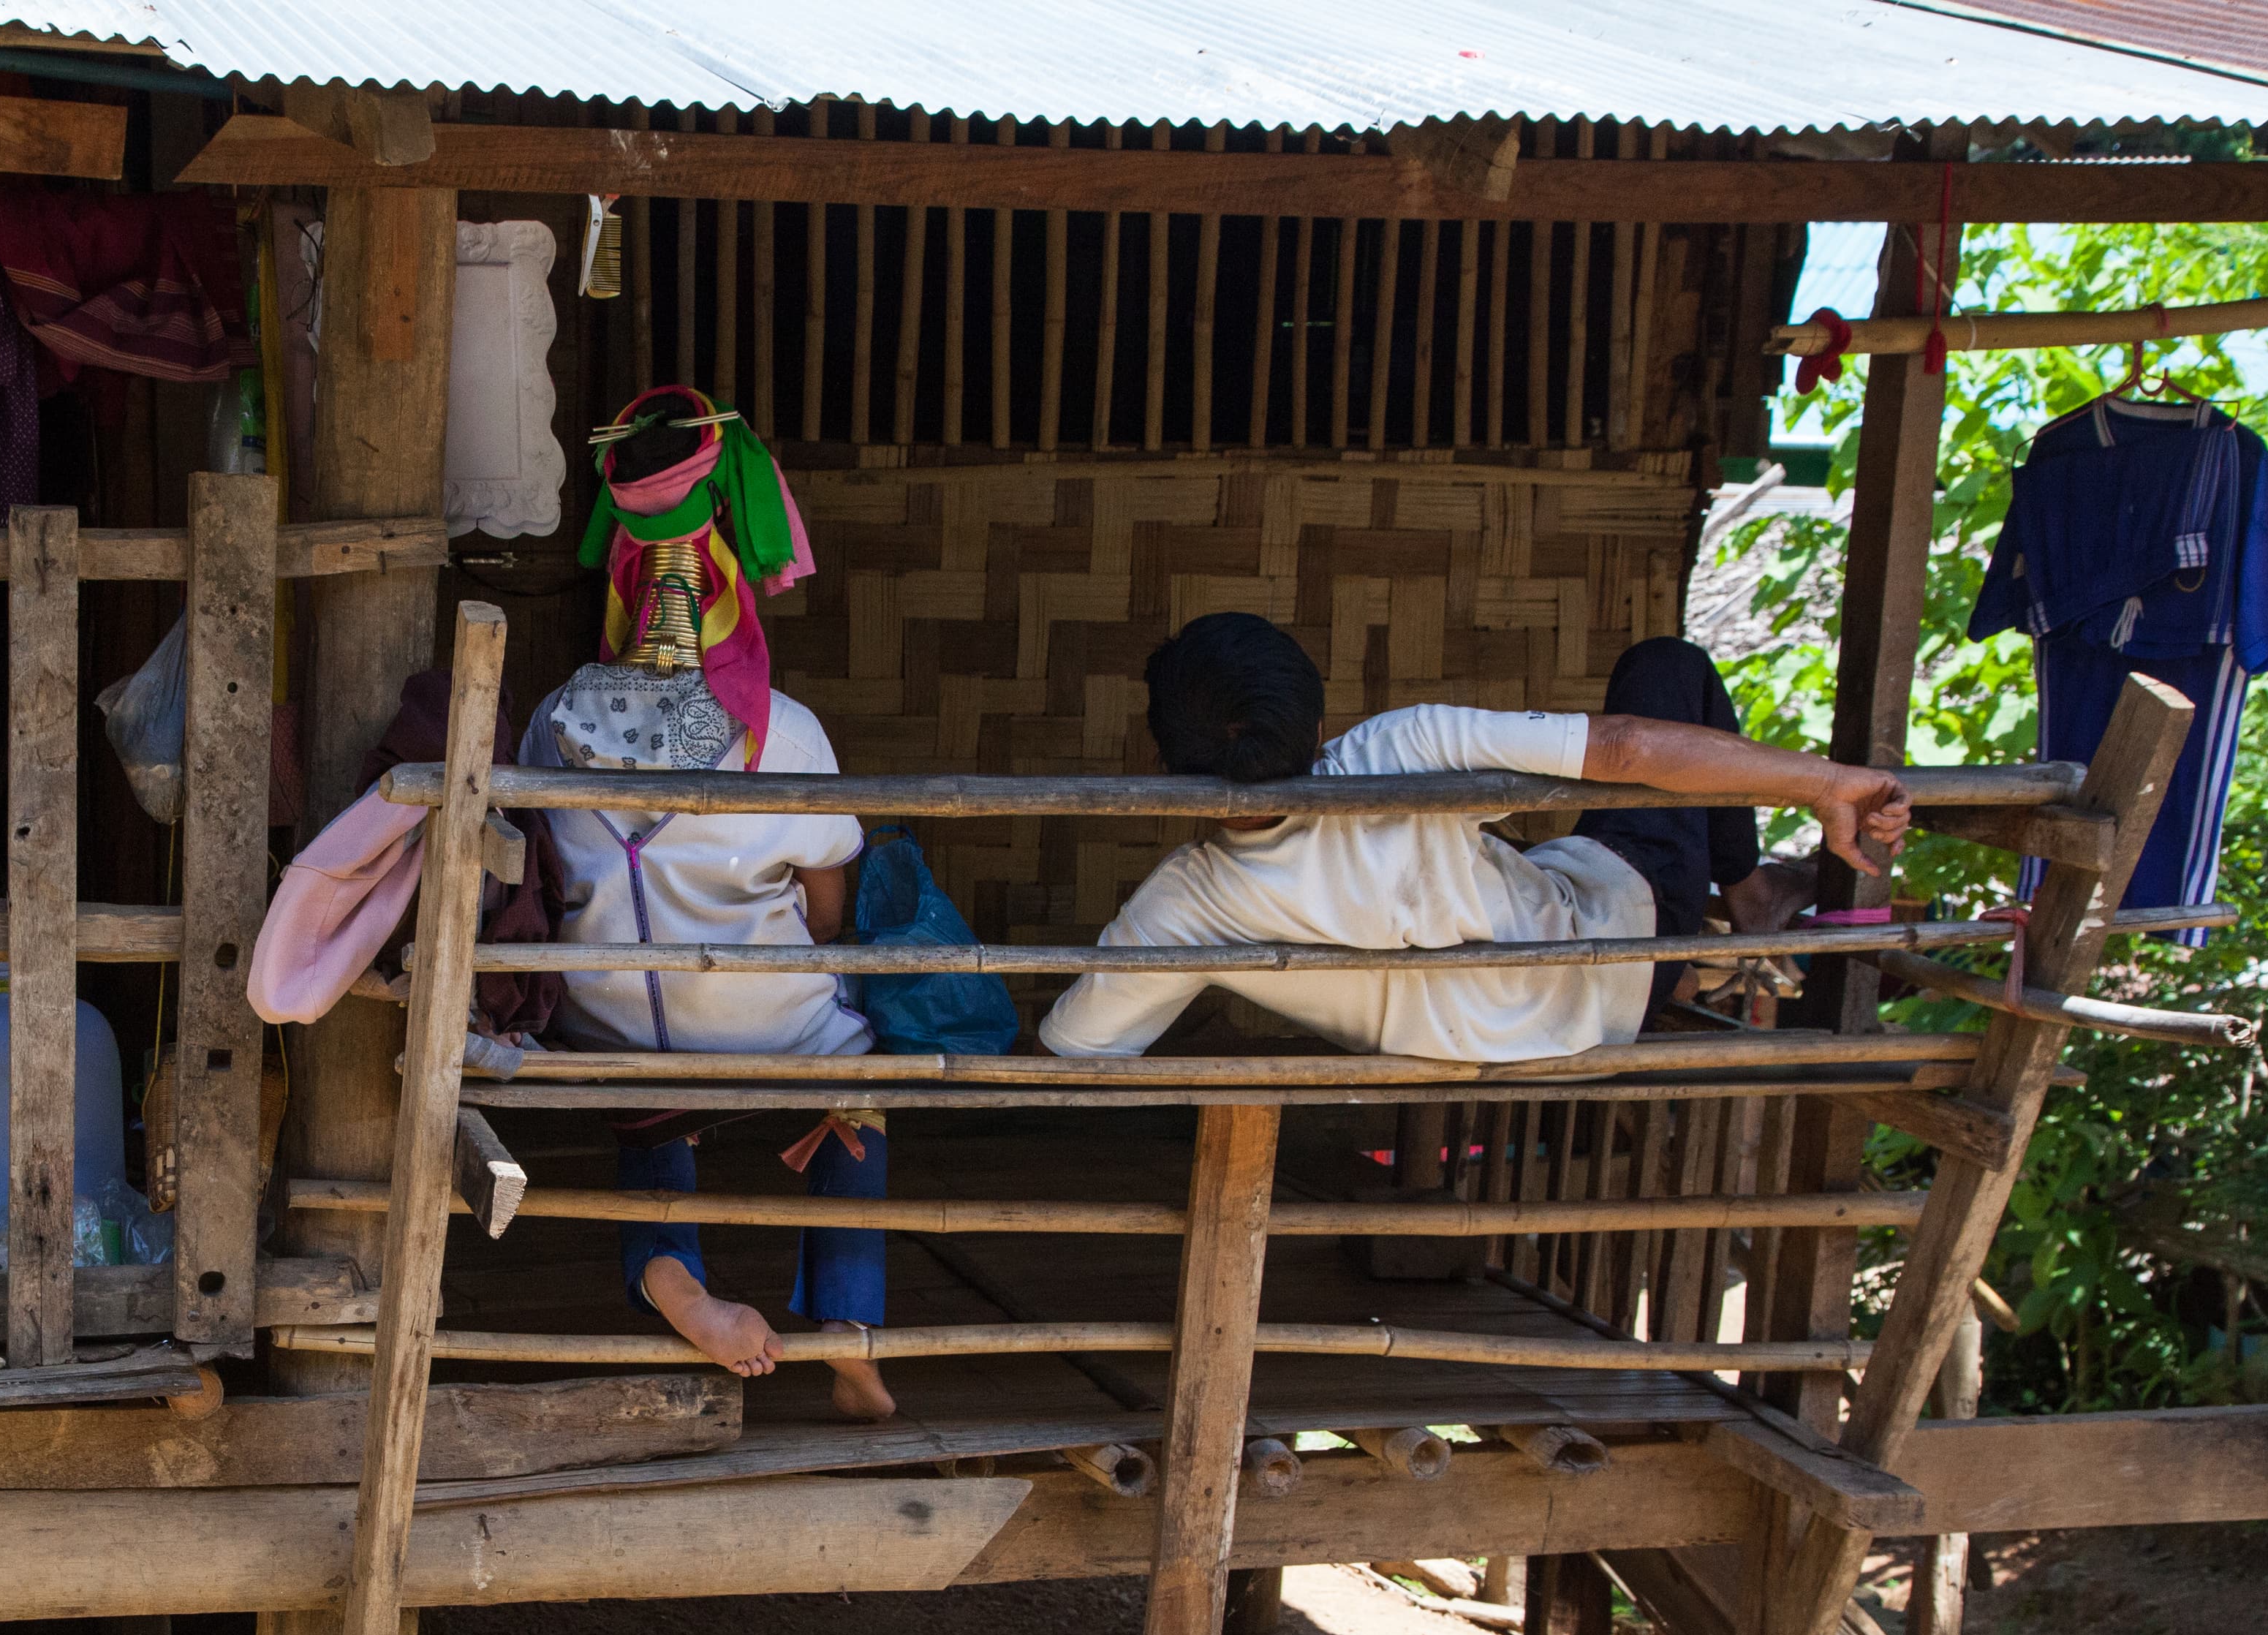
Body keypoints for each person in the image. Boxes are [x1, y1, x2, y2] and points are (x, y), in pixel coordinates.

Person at [1038, 613, 1910, 1062]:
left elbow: (1068, 1051)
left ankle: (1740, 901)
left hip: (1448, 1049)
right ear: (1315, 728)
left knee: (1517, 869)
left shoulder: (1184, 905)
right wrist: (1830, 784)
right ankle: (1751, 893)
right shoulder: (1395, 751)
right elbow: (1626, 748)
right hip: (1620, 968)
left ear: (1166, 761)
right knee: (1668, 668)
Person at [524, 388, 896, 1419]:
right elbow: (827, 912)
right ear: (732, 587)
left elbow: (542, 866)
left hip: (602, 1020)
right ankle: (849, 1324)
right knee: (860, 1073)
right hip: (760, 1024)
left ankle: (671, 1280)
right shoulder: (785, 732)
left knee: (648, 1087)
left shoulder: (554, 719)